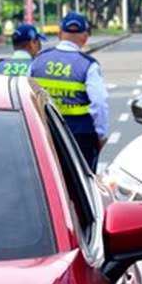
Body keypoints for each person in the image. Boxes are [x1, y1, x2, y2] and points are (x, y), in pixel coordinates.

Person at [30, 11, 109, 170]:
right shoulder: (88, 65)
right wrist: (100, 136)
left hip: (45, 132)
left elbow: (27, 95)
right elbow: (99, 105)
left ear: (59, 34)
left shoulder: (38, 60)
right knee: (82, 187)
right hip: (80, 136)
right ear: (85, 36)